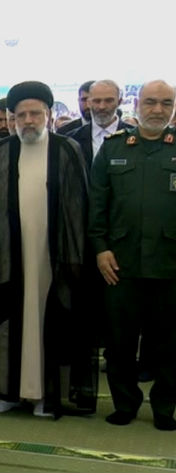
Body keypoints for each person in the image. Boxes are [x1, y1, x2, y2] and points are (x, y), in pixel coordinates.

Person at [0, 81, 96, 418]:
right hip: (9, 257)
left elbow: (78, 207)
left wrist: (74, 257)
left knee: (49, 320)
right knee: (8, 320)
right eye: (21, 114)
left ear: (48, 114)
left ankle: (45, 395)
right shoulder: (1, 151)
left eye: (35, 113)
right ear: (12, 118)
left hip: (52, 256)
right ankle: (10, 391)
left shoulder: (67, 150)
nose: (28, 120)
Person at [88, 80, 176, 431]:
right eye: (151, 102)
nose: (158, 110)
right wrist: (100, 248)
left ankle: (165, 407)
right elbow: (97, 204)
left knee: (170, 345)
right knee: (119, 344)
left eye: (166, 103)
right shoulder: (112, 148)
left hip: (170, 265)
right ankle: (125, 403)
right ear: (137, 105)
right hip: (119, 264)